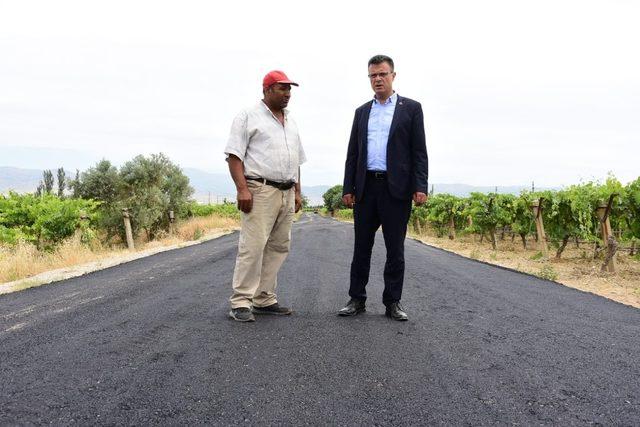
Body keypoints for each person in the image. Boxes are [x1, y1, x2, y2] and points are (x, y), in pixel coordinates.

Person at [338, 55, 428, 321]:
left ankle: (392, 302)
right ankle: (357, 299)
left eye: (382, 74)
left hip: (396, 190)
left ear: (393, 76)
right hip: (366, 189)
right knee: (361, 247)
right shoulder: (362, 111)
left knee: (395, 249)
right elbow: (353, 153)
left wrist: (419, 185)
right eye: (373, 76)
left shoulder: (411, 109)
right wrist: (348, 187)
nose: (377, 79)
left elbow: (419, 151)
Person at [224, 70, 306, 322]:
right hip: (259, 190)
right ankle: (241, 301)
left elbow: (296, 160)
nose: (288, 94)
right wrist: (242, 189)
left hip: (286, 191)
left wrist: (298, 191)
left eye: (289, 89)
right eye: (282, 88)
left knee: (279, 246)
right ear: (267, 89)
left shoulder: (290, 122)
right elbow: (234, 155)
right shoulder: (248, 116)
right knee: (253, 245)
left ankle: (264, 297)